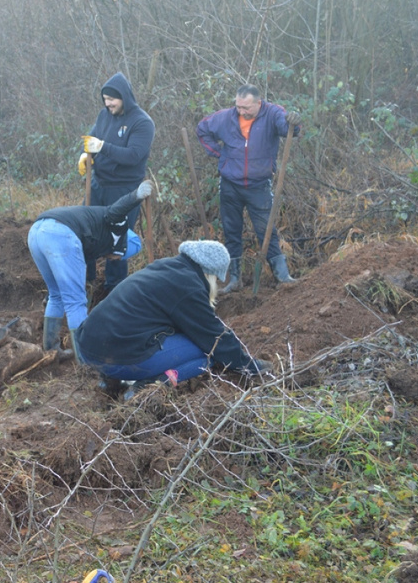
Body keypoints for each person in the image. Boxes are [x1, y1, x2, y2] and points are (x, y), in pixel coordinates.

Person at [74, 240, 272, 397]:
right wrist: (251, 367)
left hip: (89, 349)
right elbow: (215, 338)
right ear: (211, 274)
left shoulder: (167, 268)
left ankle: (109, 380)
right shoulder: (190, 287)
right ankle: (148, 387)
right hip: (119, 360)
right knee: (209, 353)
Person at [196, 84, 301, 294]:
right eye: (238, 107)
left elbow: (288, 129)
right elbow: (202, 129)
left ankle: (282, 276)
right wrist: (220, 154)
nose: (241, 111)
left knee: (266, 230)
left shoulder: (272, 114)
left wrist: (293, 123)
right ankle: (234, 279)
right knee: (232, 232)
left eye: (246, 108)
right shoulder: (225, 117)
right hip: (230, 186)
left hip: (259, 186)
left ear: (258, 103)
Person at [28, 181, 152, 355]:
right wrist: (137, 195)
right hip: (61, 234)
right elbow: (117, 209)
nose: (115, 259)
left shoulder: (96, 233)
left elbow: (80, 261)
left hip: (37, 232)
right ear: (123, 247)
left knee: (56, 295)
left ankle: (51, 351)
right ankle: (85, 360)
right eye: (121, 256)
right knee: (76, 302)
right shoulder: (117, 227)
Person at [79, 72, 155, 293]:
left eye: (112, 99)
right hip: (98, 184)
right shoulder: (104, 116)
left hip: (124, 189)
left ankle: (114, 288)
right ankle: (88, 281)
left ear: (124, 97)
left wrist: (102, 147)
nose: (108, 104)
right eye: (105, 99)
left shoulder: (142, 122)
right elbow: (91, 140)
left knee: (117, 239)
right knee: (87, 232)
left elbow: (133, 155)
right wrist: (85, 154)